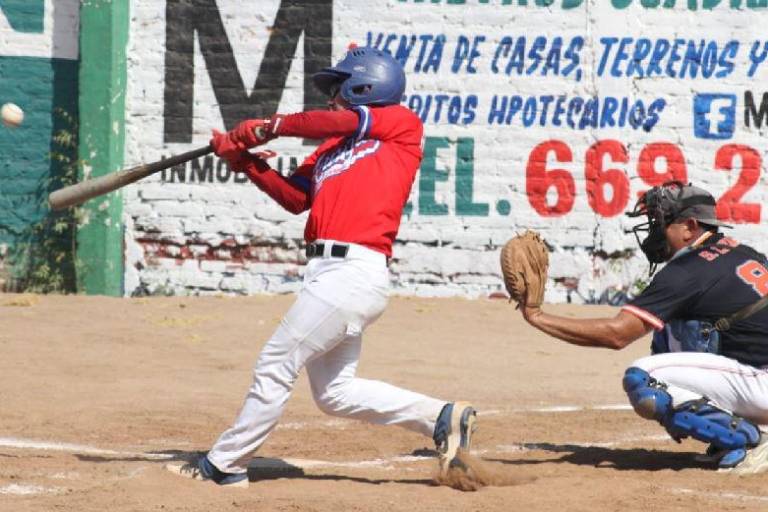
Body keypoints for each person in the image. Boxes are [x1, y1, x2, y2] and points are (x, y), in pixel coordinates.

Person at [166, 46, 476, 487]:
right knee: (335, 393)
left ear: (364, 87)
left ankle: (224, 464)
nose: (332, 98)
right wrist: (243, 160)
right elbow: (296, 198)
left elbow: (335, 120)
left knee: (276, 363)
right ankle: (441, 418)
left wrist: (268, 128)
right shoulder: (333, 151)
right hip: (328, 275)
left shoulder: (398, 123)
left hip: (353, 272)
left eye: (338, 88)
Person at [518, 181, 768, 474]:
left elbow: (617, 334)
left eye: (660, 223)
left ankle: (752, 440)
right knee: (667, 334)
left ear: (689, 226)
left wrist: (538, 317)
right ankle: (742, 425)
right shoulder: (741, 252)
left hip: (760, 385)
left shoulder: (686, 272)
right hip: (756, 376)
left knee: (645, 378)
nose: (654, 232)